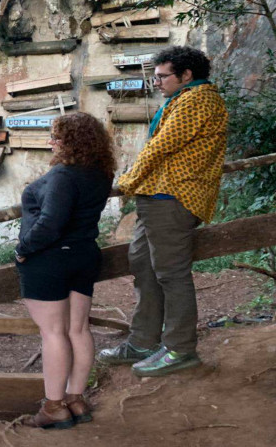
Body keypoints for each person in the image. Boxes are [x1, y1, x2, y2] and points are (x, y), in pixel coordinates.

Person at [98, 46, 228, 377]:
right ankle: (143, 342)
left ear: (186, 76)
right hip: (157, 197)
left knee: (171, 273)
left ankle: (180, 349)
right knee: (142, 264)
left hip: (173, 197)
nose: (156, 82)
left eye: (162, 76)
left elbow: (161, 146)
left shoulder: (196, 100)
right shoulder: (181, 99)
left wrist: (126, 181)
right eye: (154, 76)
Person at [15, 113, 116, 429]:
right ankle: (75, 399)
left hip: (51, 260)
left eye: (56, 137)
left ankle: (54, 407)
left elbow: (50, 223)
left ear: (70, 142)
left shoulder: (63, 175)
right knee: (78, 329)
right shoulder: (101, 172)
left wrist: (23, 249)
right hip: (84, 255)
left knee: (54, 332)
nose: (51, 142)